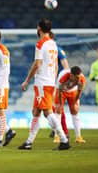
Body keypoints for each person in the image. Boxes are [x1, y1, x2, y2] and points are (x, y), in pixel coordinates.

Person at [18, 19, 70, 150]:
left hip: (42, 82)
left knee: (47, 112)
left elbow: (37, 64)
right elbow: (57, 66)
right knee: (36, 111)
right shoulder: (53, 44)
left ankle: (64, 140)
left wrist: (26, 80)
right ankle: (29, 142)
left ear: (39, 28)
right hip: (49, 81)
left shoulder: (41, 44)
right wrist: (52, 79)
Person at [53, 66, 86, 143]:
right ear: (71, 75)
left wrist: (75, 103)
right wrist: (60, 104)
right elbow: (59, 91)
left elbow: (79, 93)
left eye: (79, 77)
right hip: (62, 92)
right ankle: (57, 136)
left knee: (75, 111)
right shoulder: (62, 77)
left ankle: (78, 137)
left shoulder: (82, 80)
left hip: (73, 92)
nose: (78, 79)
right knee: (58, 111)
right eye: (76, 77)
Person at [50, 45, 70, 141]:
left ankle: (64, 131)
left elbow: (66, 67)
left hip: (57, 82)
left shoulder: (57, 49)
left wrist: (63, 82)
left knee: (57, 107)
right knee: (51, 108)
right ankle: (56, 129)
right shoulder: (44, 48)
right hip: (48, 81)